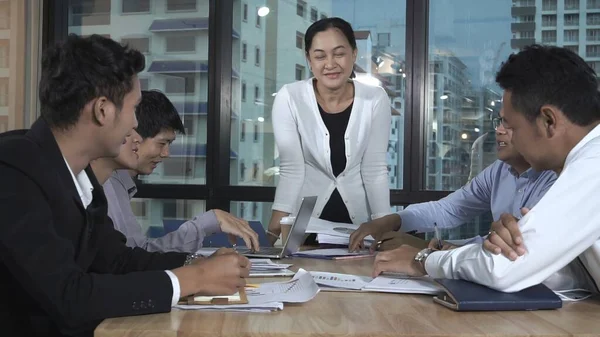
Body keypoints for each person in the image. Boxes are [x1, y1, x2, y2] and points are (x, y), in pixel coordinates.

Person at [0, 34, 250, 337]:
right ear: (102, 110)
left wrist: (196, 263)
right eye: (134, 108)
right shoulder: (13, 170)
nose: (135, 126)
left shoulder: (81, 180)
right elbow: (68, 295)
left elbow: (119, 260)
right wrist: (191, 280)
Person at [371, 44, 600, 294]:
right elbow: (562, 273)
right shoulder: (577, 162)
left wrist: (423, 260)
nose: (504, 133)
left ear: (548, 121)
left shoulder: (592, 164)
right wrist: (514, 246)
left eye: (512, 126)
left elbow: (502, 270)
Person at [349, 115, 557, 252]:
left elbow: (512, 250)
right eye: (498, 121)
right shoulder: (499, 171)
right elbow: (450, 209)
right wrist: (394, 220)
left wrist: (428, 248)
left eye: (509, 123)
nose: (499, 130)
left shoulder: (556, 177)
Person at [267, 17, 392, 245]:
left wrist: (383, 227)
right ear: (309, 59)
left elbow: (374, 169)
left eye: (339, 53)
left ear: (354, 54)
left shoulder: (375, 99)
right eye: (320, 56)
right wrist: (278, 222)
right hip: (304, 227)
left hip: (359, 229)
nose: (330, 63)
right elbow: (291, 169)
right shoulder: (290, 97)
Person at [95, 90, 260, 253]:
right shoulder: (106, 184)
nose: (167, 154)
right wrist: (205, 224)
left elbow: (134, 257)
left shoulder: (118, 183)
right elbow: (134, 260)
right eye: (162, 143)